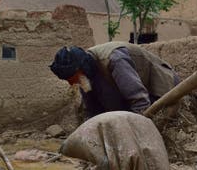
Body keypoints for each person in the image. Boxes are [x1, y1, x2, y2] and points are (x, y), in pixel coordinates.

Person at [49, 41, 179, 118]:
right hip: (138, 93)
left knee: (159, 118)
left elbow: (139, 101)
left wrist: (136, 130)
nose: (72, 83)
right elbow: (93, 111)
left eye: (73, 78)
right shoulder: (85, 76)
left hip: (162, 87)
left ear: (83, 68)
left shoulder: (115, 60)